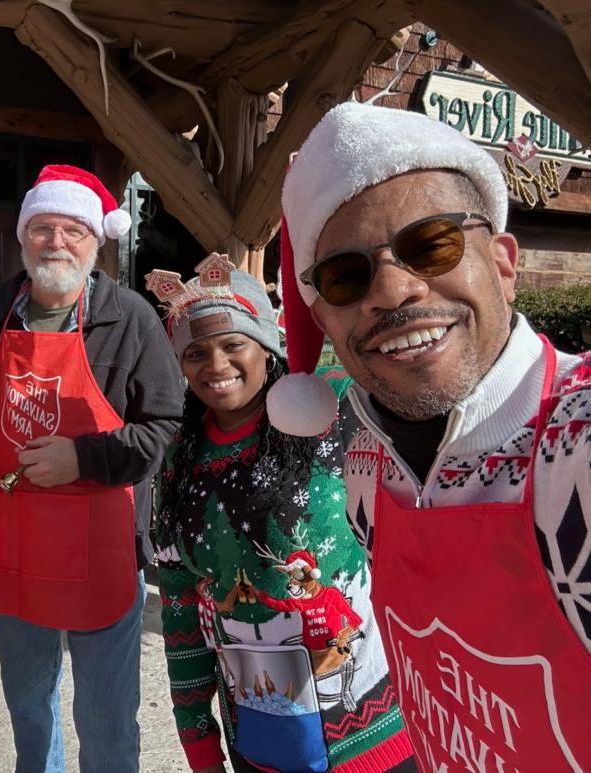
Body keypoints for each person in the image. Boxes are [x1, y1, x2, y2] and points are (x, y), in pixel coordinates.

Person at [273, 102, 590, 770]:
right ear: (323, 315)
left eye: (430, 244)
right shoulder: (365, 461)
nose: (391, 289)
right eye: (345, 275)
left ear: (503, 262)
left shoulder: (575, 449)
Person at [0, 164, 184, 772]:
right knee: (29, 706)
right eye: (43, 228)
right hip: (10, 546)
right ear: (23, 238)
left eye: (73, 230)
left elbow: (162, 428)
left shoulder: (130, 318)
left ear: (95, 242)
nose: (57, 242)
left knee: (105, 716)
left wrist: (79, 457)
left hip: (99, 550)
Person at [149, 261, 413, 773]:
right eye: (195, 352)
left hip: (378, 729)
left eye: (233, 344)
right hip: (264, 734)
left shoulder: (334, 407)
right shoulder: (180, 458)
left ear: (266, 344)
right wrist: (198, 742)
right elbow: (181, 607)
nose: (215, 364)